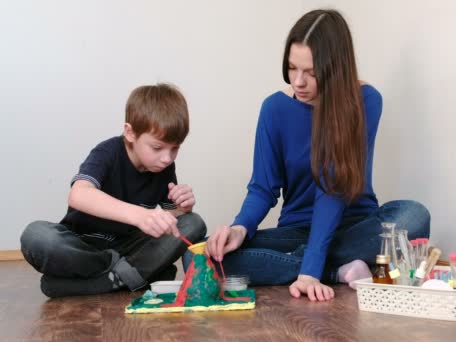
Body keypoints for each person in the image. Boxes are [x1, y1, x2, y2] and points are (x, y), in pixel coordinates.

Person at [200, 9, 430, 302]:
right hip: (298, 231)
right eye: (292, 68)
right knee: (202, 255)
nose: (298, 82)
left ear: (336, 68)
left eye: (310, 72)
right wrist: (240, 228)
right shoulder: (274, 109)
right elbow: (263, 188)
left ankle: (313, 265)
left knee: (414, 215)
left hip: (355, 225)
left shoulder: (366, 101)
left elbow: (332, 186)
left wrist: (310, 268)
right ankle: (337, 270)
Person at [20, 83, 206, 298]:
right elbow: (79, 194)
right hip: (83, 244)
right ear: (130, 133)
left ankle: (103, 281)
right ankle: (131, 275)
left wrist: (182, 208)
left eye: (175, 148)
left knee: (193, 223)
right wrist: (139, 215)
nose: (167, 158)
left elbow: (170, 221)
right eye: (157, 147)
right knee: (37, 236)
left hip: (129, 248)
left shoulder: (163, 166)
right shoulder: (108, 152)